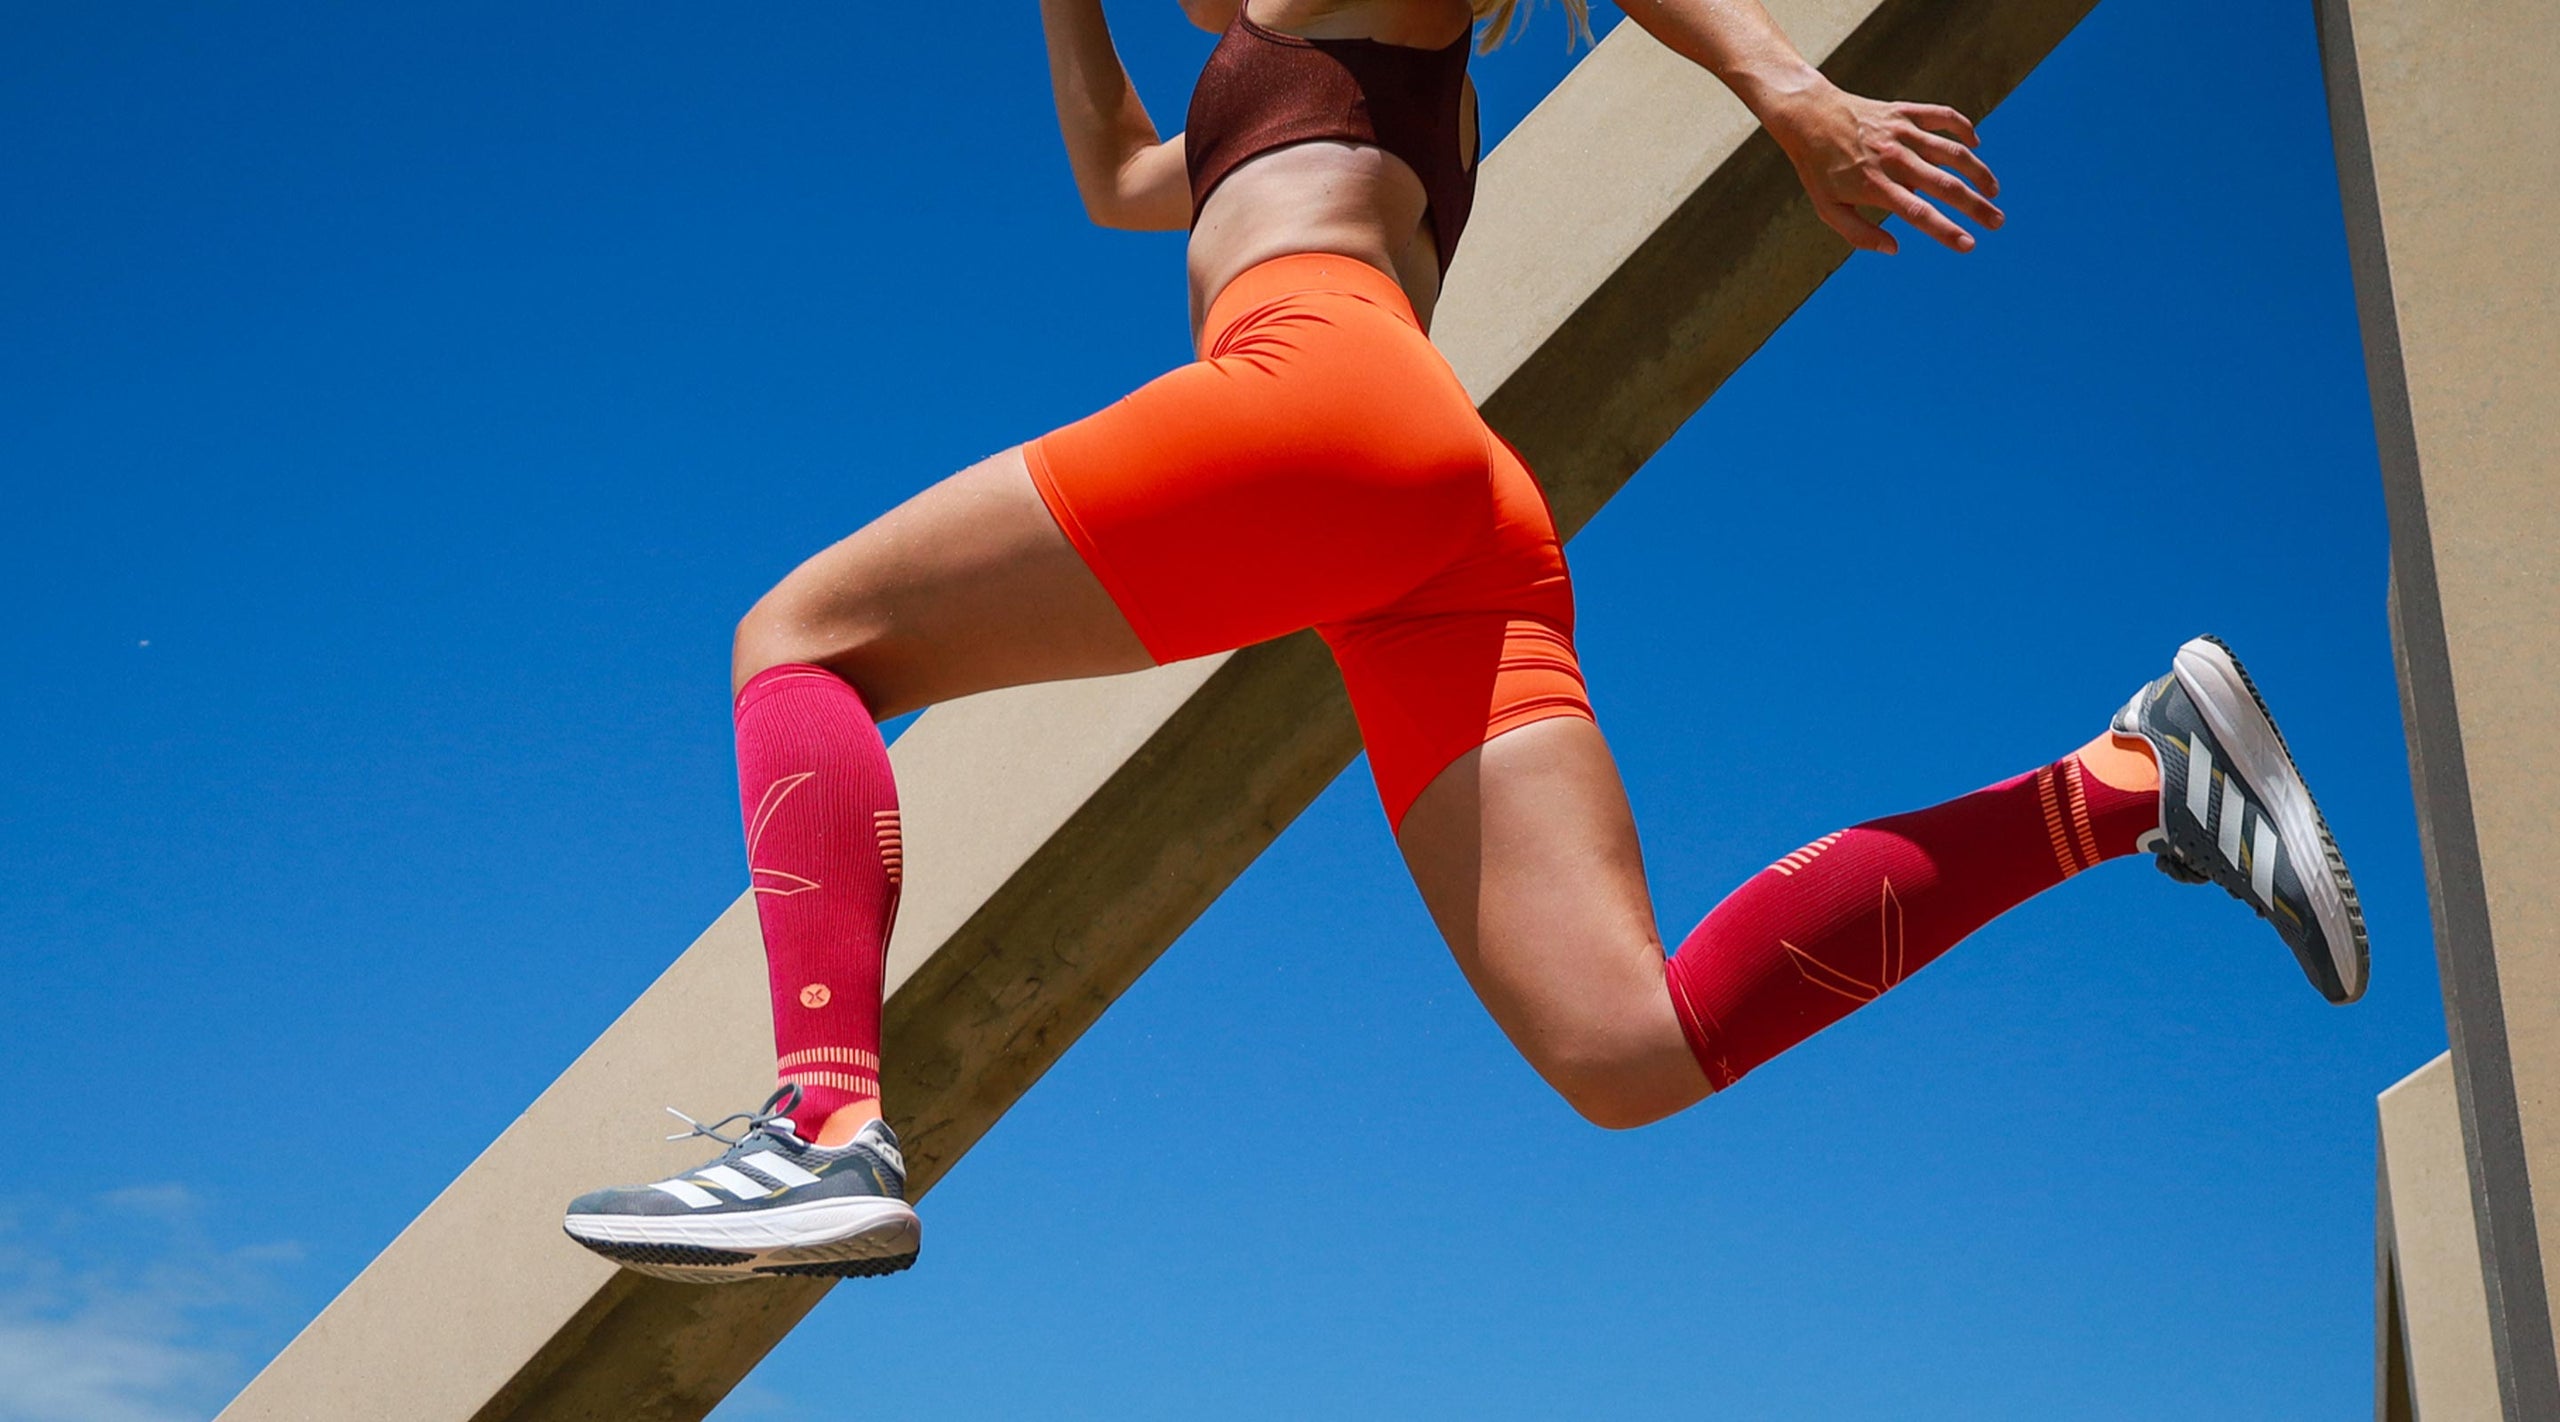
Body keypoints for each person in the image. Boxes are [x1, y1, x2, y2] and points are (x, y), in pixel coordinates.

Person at [561, 0, 2367, 1283]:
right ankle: (2131, 780)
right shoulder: (1259, 84)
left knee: (803, 633)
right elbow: (1123, 169)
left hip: (1322, 394)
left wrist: (1789, 94)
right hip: (1433, 522)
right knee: (1623, 1046)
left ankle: (822, 1121)